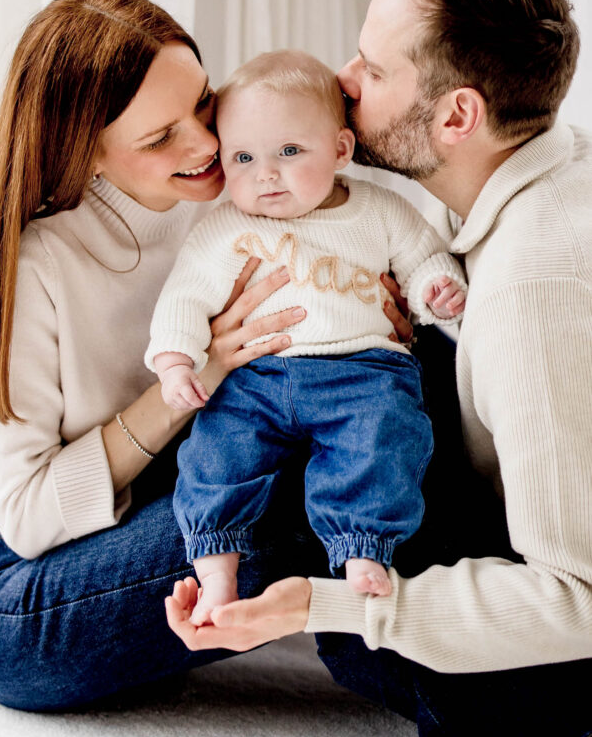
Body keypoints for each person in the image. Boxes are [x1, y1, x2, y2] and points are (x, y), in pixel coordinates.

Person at [165, 0, 592, 737]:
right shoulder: (529, 171)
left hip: (567, 590)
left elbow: (578, 595)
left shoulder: (533, 292)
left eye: (373, 66)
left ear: (457, 115)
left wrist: (324, 608)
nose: (341, 76)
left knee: (363, 629)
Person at [0, 0, 332, 712]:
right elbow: (25, 520)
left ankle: (520, 649)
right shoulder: (37, 268)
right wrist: (197, 373)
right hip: (14, 593)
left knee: (392, 408)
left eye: (203, 104)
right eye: (160, 139)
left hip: (155, 510)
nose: (206, 144)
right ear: (84, 149)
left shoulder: (221, 198)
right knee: (303, 494)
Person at [147, 49, 466, 622]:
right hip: (256, 381)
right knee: (216, 455)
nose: (265, 173)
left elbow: (423, 259)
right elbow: (186, 296)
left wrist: (436, 289)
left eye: (290, 152)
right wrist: (175, 362)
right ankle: (216, 568)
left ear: (341, 150)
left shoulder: (379, 211)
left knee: (386, 439)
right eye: (243, 157)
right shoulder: (226, 228)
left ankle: (362, 547)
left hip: (363, 372)